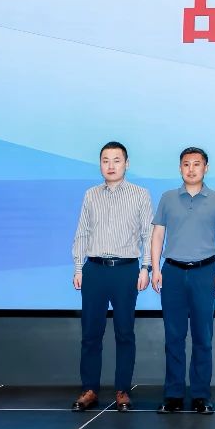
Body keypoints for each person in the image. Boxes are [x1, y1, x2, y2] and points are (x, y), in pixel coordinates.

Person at [70, 141, 154, 412]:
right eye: (105, 160)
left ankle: (122, 391)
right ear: (100, 164)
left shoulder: (140, 195)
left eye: (116, 160)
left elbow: (148, 234)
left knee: (124, 332)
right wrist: (78, 268)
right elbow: (82, 232)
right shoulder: (91, 195)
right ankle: (90, 389)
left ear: (126, 164)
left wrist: (146, 268)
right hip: (94, 269)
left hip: (126, 270)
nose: (111, 165)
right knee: (90, 333)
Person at [150, 147, 215, 414]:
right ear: (180, 168)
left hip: (204, 272)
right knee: (174, 336)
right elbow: (158, 234)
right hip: (172, 272)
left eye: (197, 164)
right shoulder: (168, 198)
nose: (191, 169)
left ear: (205, 168)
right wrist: (155, 268)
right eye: (186, 164)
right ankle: (173, 394)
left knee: (202, 336)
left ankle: (200, 395)